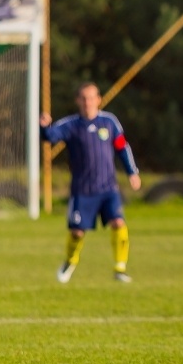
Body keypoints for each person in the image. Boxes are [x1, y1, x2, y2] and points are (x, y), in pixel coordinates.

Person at [40, 82, 142, 283]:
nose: (88, 102)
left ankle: (120, 268)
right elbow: (51, 137)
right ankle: (70, 260)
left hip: (108, 188)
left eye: (91, 98)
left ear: (99, 99)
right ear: (78, 101)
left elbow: (122, 147)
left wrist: (132, 172)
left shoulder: (109, 122)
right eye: (84, 98)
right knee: (77, 232)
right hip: (82, 190)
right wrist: (43, 127)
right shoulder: (71, 125)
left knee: (118, 222)